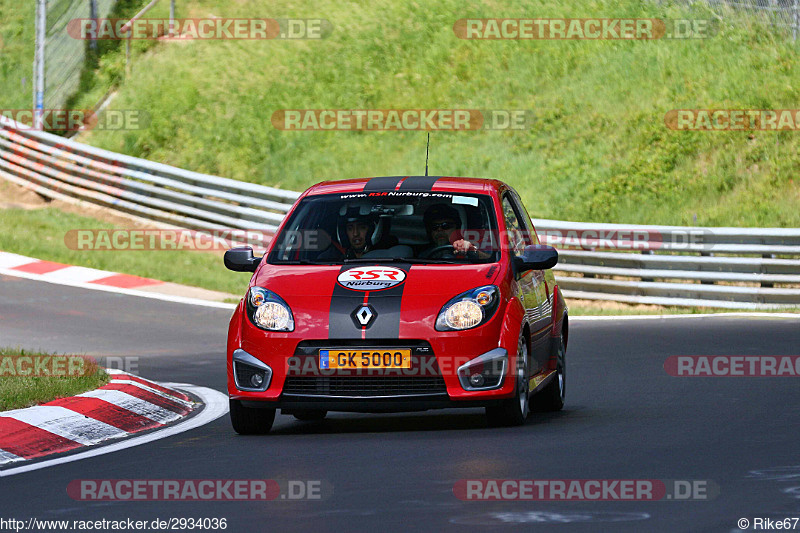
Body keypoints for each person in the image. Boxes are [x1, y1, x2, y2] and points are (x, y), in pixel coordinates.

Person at [420, 203, 487, 258]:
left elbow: (490, 261)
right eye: (434, 227)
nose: (440, 230)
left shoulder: (467, 248)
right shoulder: (421, 256)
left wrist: (472, 251)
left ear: (457, 228)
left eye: (446, 226)